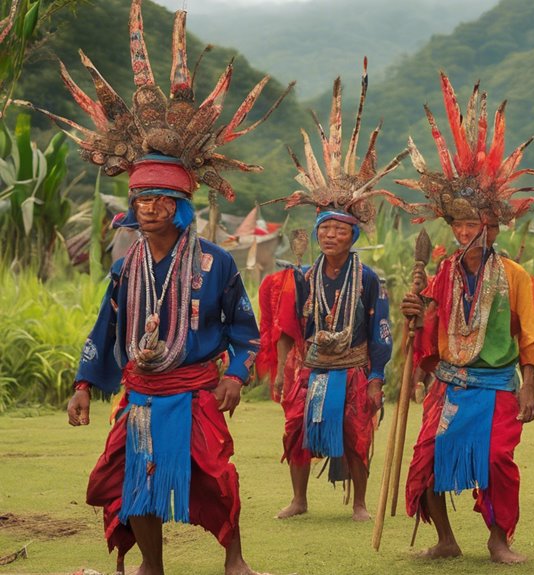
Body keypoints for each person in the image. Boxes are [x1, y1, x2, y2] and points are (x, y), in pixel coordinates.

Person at [31, 2, 291, 573]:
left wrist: (238, 375)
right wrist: (82, 383)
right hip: (142, 391)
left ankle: (234, 559)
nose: (147, 207)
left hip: (196, 390)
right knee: (133, 481)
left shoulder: (217, 264)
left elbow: (247, 334)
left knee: (216, 475)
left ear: (179, 208)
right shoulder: (125, 268)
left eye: (159, 200)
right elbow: (107, 329)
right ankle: (151, 564)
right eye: (140, 198)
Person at [393, 72, 534, 564]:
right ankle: (444, 539)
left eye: (473, 224)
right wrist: (414, 314)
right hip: (448, 384)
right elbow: (428, 328)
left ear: (491, 228)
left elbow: (533, 332)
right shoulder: (438, 275)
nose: (464, 232)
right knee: (426, 460)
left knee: (498, 461)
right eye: (458, 224)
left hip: (497, 383)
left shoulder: (515, 275)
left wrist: (528, 384)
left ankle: (499, 540)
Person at [261, 64, 401, 521]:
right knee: (296, 429)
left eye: (340, 231)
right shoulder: (301, 278)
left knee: (357, 430)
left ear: (352, 236)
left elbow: (381, 332)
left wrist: (377, 378)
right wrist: (283, 369)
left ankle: (360, 503)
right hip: (311, 365)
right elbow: (286, 325)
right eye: (326, 230)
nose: (331, 237)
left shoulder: (369, 278)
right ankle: (299, 500)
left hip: (355, 365)